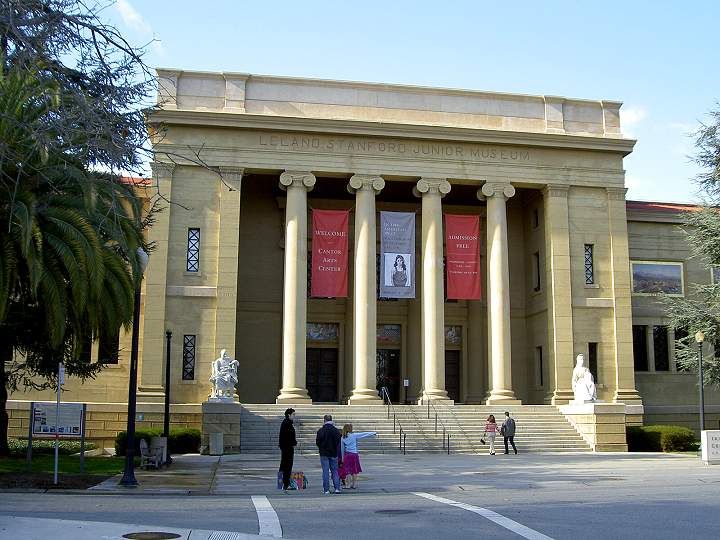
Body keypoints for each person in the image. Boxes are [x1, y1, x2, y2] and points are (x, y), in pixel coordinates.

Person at [340, 424, 377, 490]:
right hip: (354, 454)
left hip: (347, 455)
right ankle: (354, 484)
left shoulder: (343, 437)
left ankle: (348, 485)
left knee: (347, 470)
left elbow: (342, 449)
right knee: (354, 470)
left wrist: (342, 458)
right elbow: (364, 434)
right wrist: (373, 433)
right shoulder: (354, 435)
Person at [316, 414, 342, 494]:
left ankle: (326, 489)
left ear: (324, 420)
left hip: (324, 453)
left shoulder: (321, 430)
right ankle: (337, 488)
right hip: (334, 453)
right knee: (335, 471)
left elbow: (318, 442)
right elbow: (338, 442)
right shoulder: (336, 431)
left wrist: (321, 447)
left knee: (325, 471)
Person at [278, 408, 297, 493]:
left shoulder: (287, 423)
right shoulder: (287, 423)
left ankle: (282, 482)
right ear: (289, 415)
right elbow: (287, 436)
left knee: (284, 465)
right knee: (287, 466)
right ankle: (285, 483)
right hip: (287, 447)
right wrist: (293, 442)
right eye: (293, 414)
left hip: (286, 447)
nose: (294, 416)